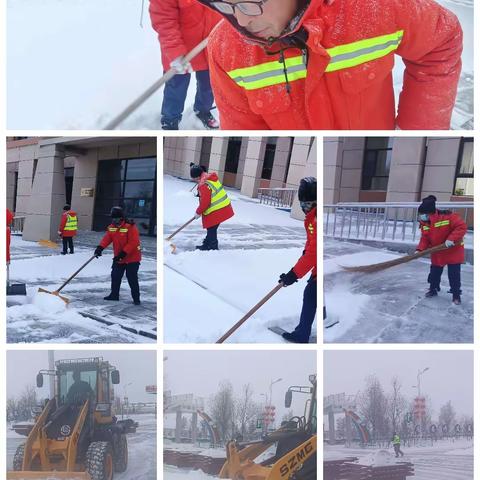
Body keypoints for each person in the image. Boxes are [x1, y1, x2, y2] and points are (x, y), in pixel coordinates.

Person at [197, 0, 463, 130]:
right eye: (226, 4)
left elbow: (442, 39)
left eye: (249, 3)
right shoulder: (226, 49)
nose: (241, 21)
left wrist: (414, 133)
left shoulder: (374, 8)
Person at [149, 0, 221, 130]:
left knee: (209, 83)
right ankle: (170, 121)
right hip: (179, 46)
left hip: (210, 42)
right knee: (176, 87)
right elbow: (164, 18)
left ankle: (203, 110)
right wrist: (174, 51)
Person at [279, 177, 316, 343]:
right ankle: (322, 314)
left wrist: (294, 274)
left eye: (307, 205)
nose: (304, 209)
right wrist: (296, 268)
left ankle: (302, 335)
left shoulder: (316, 219)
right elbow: (311, 244)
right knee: (314, 294)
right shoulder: (313, 217)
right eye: (302, 205)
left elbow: (314, 252)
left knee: (310, 294)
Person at [416, 195, 467, 305]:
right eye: (421, 214)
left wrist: (451, 239)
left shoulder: (448, 217)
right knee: (434, 273)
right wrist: (420, 249)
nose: (422, 216)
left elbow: (461, 226)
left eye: (424, 214)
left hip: (453, 250)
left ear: (431, 212)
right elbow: (425, 238)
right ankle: (433, 289)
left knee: (454, 275)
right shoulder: (425, 222)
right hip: (437, 251)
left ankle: (456, 295)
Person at [94, 207, 142, 305]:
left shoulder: (130, 227)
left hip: (132, 258)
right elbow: (107, 238)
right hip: (119, 258)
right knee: (115, 276)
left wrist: (123, 254)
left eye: (116, 218)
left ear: (121, 217)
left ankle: (136, 298)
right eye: (113, 218)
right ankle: (114, 295)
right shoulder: (112, 227)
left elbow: (133, 242)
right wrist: (100, 248)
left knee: (131, 277)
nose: (114, 220)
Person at [190, 163, 234, 250]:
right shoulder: (208, 178)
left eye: (193, 178)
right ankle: (207, 244)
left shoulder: (204, 184)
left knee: (211, 229)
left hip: (218, 210)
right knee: (211, 229)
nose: (194, 180)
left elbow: (205, 202)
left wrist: (198, 212)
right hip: (222, 208)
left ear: (197, 177)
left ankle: (213, 248)